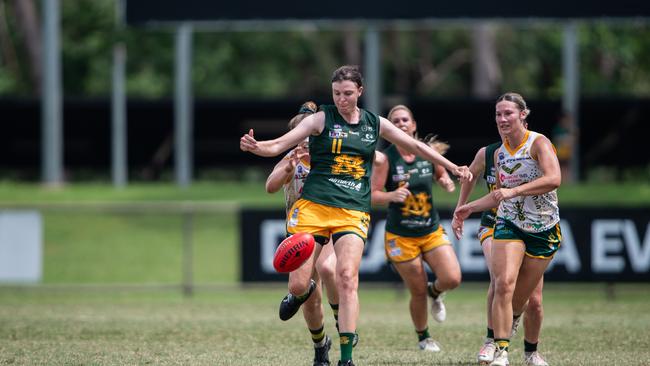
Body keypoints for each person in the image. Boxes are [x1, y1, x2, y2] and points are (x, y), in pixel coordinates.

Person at [241, 65, 472, 366]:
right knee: (299, 285)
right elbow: (282, 143)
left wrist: (452, 167)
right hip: (312, 208)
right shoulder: (321, 118)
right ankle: (298, 295)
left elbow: (414, 145)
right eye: (337, 93)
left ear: (360, 92)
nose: (341, 99)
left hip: (352, 211)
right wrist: (257, 147)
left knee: (347, 276)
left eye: (348, 93)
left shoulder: (373, 123)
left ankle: (346, 358)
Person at [453, 92, 561, 366]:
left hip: (544, 227)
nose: (502, 119)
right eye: (498, 114)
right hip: (508, 223)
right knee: (503, 283)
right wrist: (467, 208)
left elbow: (554, 178)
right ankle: (499, 349)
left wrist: (515, 191)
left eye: (508, 113)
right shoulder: (497, 153)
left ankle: (529, 350)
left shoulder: (539, 143)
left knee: (526, 300)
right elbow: (498, 195)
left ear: (523, 115)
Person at [370, 105, 461, 353]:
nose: (400, 124)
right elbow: (372, 196)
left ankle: (437, 292)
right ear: (388, 129)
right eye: (395, 121)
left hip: (430, 229)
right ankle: (424, 338)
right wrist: (391, 196)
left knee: (452, 278)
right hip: (401, 235)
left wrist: (445, 181)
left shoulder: (427, 153)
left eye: (404, 120)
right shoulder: (385, 159)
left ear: (413, 125)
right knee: (417, 290)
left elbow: (440, 174)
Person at [265, 101, 339, 366]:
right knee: (307, 294)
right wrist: (287, 169)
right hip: (299, 233)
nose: (307, 141)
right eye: (301, 136)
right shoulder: (290, 160)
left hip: (328, 228)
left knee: (328, 268)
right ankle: (320, 345)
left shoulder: (330, 160)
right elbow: (270, 187)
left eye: (311, 136)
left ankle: (342, 319)